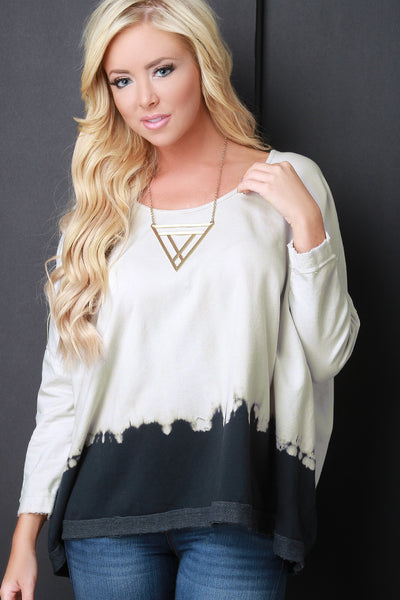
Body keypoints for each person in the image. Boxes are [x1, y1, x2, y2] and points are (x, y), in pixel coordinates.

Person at [0, 0, 360, 599]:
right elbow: (63, 382)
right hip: (105, 513)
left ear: (205, 65)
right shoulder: (101, 210)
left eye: (162, 70)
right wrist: (24, 534)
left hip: (237, 503)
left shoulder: (289, 181)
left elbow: (328, 354)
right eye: (122, 80)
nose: (145, 98)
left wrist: (306, 224)